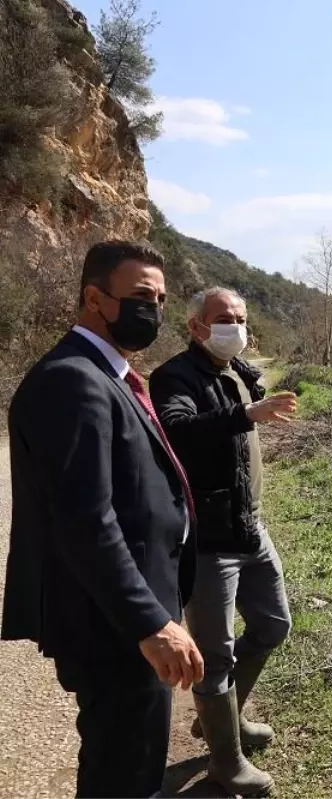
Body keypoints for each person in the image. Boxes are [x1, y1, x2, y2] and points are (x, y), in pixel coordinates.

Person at [1, 240, 205, 799]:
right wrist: (149, 622)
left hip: (131, 610)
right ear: (94, 297)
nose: (155, 311)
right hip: (114, 624)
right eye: (142, 296)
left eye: (161, 299)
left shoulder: (110, 375)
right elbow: (84, 519)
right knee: (124, 772)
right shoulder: (73, 380)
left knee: (132, 761)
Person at [149, 287, 297, 795]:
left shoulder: (237, 372)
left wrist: (251, 404)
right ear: (195, 327)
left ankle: (222, 722)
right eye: (221, 319)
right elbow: (176, 428)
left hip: (250, 527)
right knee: (215, 658)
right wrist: (246, 415)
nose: (233, 325)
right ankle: (226, 762)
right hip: (209, 540)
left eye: (239, 317)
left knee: (274, 624)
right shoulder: (174, 376)